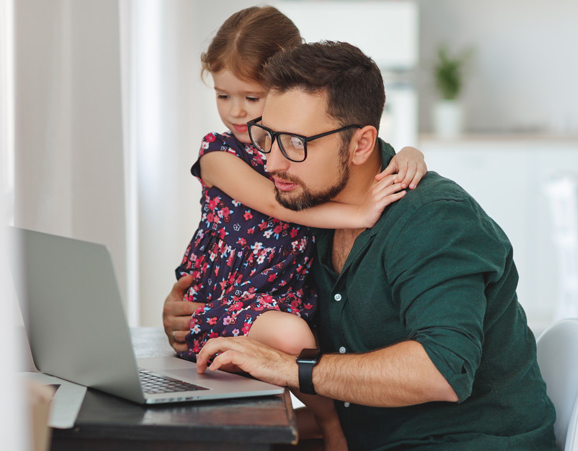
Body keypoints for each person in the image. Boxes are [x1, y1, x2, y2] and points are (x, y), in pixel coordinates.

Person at [166, 40, 558, 449]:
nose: (271, 163)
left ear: (360, 144)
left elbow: (440, 371)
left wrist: (291, 368)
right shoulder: (307, 211)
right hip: (369, 436)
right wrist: (191, 315)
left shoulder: (436, 220)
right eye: (268, 137)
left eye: (296, 144)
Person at [172, 7, 426, 450]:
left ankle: (316, 425)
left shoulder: (307, 156)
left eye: (252, 98)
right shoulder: (218, 154)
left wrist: (409, 153)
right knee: (291, 337)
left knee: (292, 346)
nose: (236, 113)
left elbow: (360, 154)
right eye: (222, 96)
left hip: (282, 294)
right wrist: (359, 215)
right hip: (229, 294)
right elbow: (274, 204)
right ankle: (331, 425)